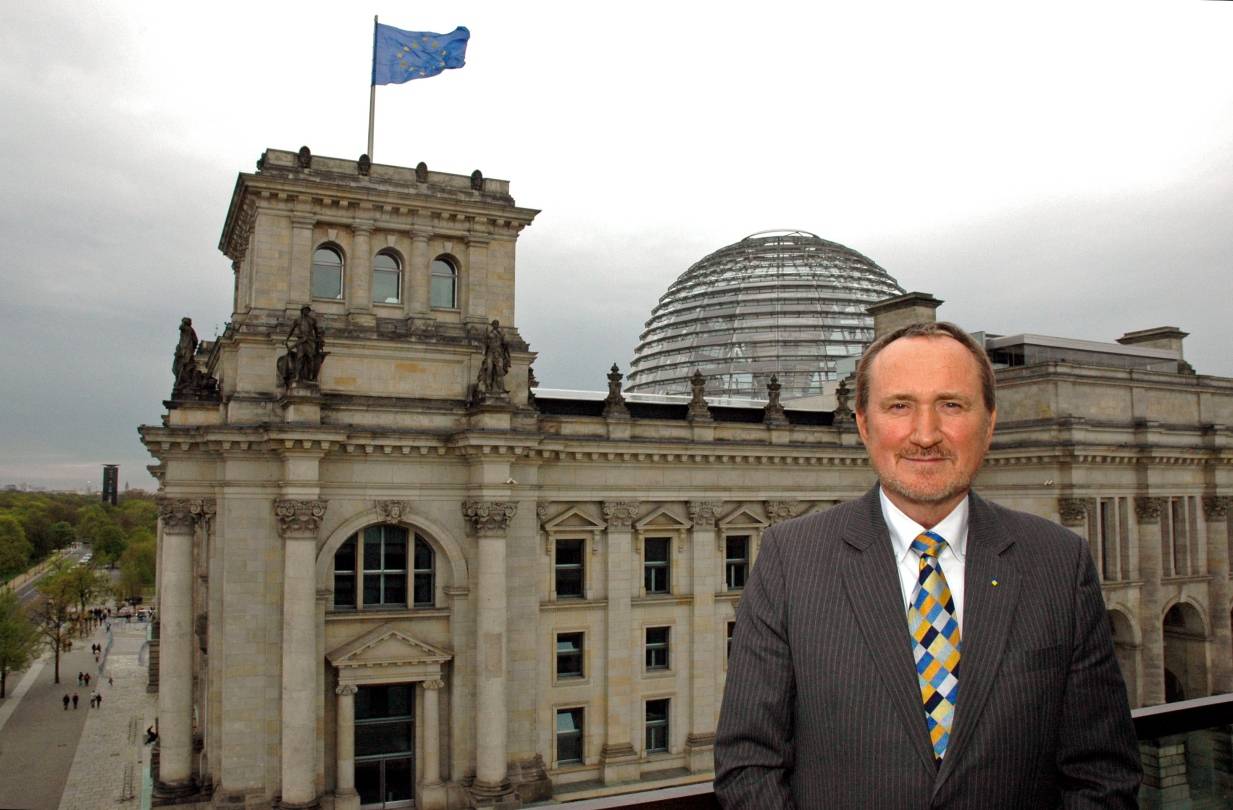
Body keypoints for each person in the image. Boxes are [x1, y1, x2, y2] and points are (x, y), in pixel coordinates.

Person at [715, 321, 1140, 809]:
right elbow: (748, 764)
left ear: (989, 421)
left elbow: (1103, 773)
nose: (925, 435)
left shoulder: (1060, 562)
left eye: (951, 405)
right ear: (862, 423)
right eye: (900, 406)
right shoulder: (790, 558)